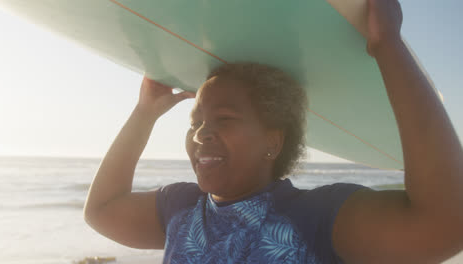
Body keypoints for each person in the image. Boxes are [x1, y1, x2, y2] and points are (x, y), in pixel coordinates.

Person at [83, 0, 463, 263]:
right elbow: (100, 211)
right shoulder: (180, 210)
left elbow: (445, 226)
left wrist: (388, 48)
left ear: (273, 141)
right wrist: (144, 113)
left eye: (224, 119)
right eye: (195, 122)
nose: (201, 134)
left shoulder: (315, 217)